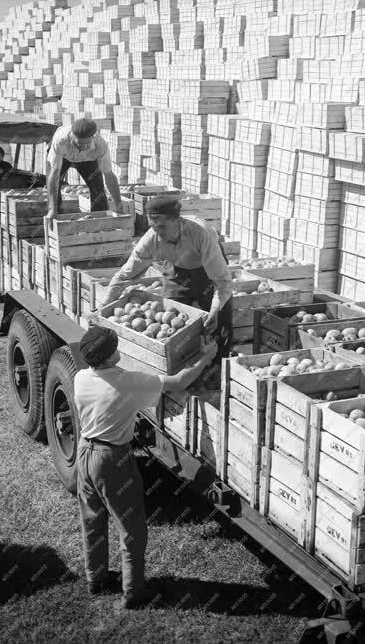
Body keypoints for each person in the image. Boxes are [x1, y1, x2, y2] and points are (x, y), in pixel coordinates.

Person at [74, 326, 217, 609]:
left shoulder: (81, 377)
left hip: (85, 451)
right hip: (112, 459)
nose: (120, 351)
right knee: (132, 528)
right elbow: (179, 381)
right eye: (115, 348)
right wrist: (206, 356)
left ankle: (96, 578)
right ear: (106, 356)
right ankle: (133, 593)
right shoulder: (127, 382)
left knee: (92, 519)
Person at [102, 196, 233, 384]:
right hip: (177, 271)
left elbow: (222, 282)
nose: (156, 232)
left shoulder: (201, 235)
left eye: (162, 227)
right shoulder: (151, 240)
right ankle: (182, 375)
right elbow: (125, 276)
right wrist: (104, 307)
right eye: (152, 226)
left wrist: (214, 310)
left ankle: (219, 377)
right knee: (177, 325)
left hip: (207, 271)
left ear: (177, 222)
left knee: (218, 324)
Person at [45, 118, 125, 218]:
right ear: (72, 136)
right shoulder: (61, 141)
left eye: (87, 144)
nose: (84, 147)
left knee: (97, 185)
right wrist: (52, 208)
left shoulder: (100, 145)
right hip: (64, 156)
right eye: (80, 144)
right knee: (53, 184)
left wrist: (118, 204)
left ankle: (99, 219)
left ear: (93, 137)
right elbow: (54, 175)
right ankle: (56, 217)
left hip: (88, 158)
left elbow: (109, 176)